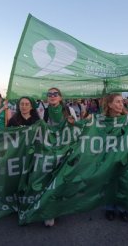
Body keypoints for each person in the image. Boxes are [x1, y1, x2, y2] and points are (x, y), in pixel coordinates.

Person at [41, 88, 76, 227]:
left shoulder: (68, 110)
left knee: (63, 179)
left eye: (55, 94)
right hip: (51, 149)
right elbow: (41, 129)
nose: (52, 96)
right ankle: (50, 212)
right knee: (50, 179)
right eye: (49, 94)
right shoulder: (44, 111)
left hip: (66, 148)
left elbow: (77, 127)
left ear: (60, 97)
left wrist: (72, 123)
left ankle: (60, 207)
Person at [103, 93, 128, 223]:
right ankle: (109, 208)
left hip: (124, 157)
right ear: (110, 105)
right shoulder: (102, 120)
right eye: (117, 102)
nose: (121, 104)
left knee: (124, 182)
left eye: (122, 102)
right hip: (108, 156)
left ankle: (123, 208)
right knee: (109, 182)